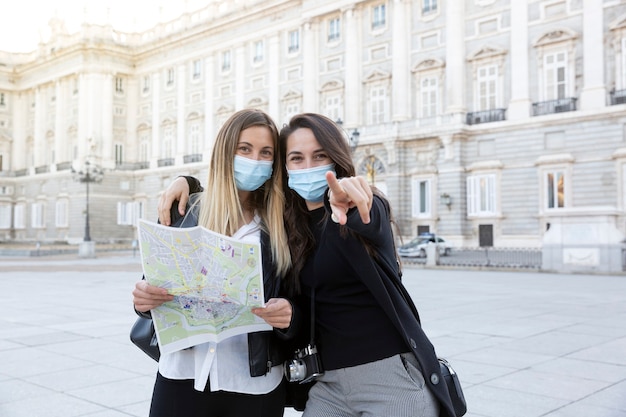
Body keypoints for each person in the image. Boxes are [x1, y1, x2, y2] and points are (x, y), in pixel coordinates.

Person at [159, 113, 457, 417]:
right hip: (327, 384)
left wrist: (352, 205)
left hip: (388, 376)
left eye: (320, 156)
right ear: (284, 168)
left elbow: (372, 216)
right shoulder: (285, 227)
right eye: (297, 158)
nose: (309, 167)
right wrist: (189, 182)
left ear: (336, 158)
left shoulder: (359, 207)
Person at [132, 108, 298, 417]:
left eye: (266, 153)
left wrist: (290, 314)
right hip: (181, 376)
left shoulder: (283, 224)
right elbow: (150, 288)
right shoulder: (186, 211)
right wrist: (143, 299)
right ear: (225, 152)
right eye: (244, 149)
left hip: (254, 384)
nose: (255, 160)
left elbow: (301, 302)